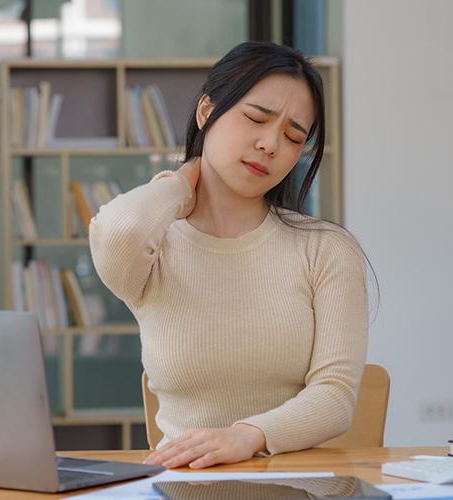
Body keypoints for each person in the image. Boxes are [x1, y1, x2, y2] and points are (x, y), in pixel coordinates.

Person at [89, 41, 369, 469]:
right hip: (185, 484)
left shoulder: (326, 250)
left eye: (294, 136)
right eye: (256, 118)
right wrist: (182, 182)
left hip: (293, 485)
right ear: (206, 113)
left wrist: (248, 436)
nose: (271, 145)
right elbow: (119, 229)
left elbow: (334, 395)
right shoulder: (153, 248)